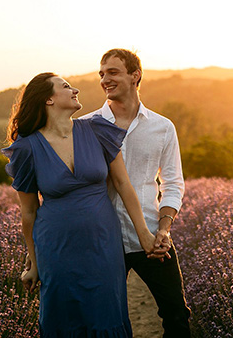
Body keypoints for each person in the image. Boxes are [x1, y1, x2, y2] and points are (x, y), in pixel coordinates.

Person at [3, 72, 166, 337]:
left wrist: (145, 235)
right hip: (56, 249)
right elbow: (29, 212)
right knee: (64, 317)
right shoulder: (27, 148)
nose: (75, 89)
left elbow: (124, 185)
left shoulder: (97, 129)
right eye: (66, 87)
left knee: (106, 313)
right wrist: (33, 264)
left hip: (102, 244)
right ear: (48, 100)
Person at [81, 48, 191, 337]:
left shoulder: (162, 127)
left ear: (135, 75)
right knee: (101, 319)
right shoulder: (86, 127)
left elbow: (173, 183)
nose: (105, 79)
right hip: (103, 239)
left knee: (177, 316)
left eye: (113, 72)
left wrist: (165, 230)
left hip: (151, 236)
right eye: (101, 74)